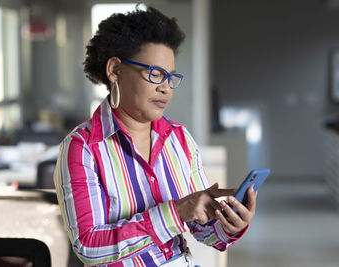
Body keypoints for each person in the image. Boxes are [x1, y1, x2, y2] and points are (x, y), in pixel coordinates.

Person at [54, 7, 257, 267]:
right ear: (115, 70)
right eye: (156, 74)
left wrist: (230, 225)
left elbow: (202, 231)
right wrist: (177, 211)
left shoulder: (179, 138)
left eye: (171, 77)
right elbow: (89, 246)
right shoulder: (82, 147)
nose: (165, 88)